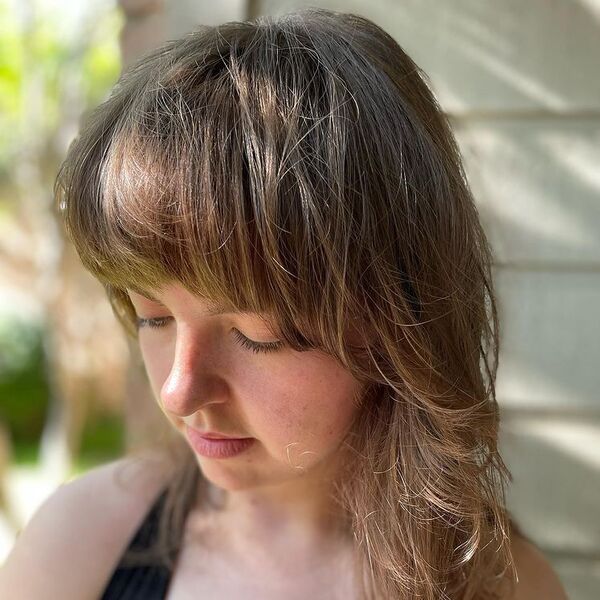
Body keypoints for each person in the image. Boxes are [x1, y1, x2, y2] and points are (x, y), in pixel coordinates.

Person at [0, 8, 568, 600]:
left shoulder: (503, 586)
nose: (179, 389)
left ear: (397, 320)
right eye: (154, 317)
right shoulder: (80, 546)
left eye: (256, 333)